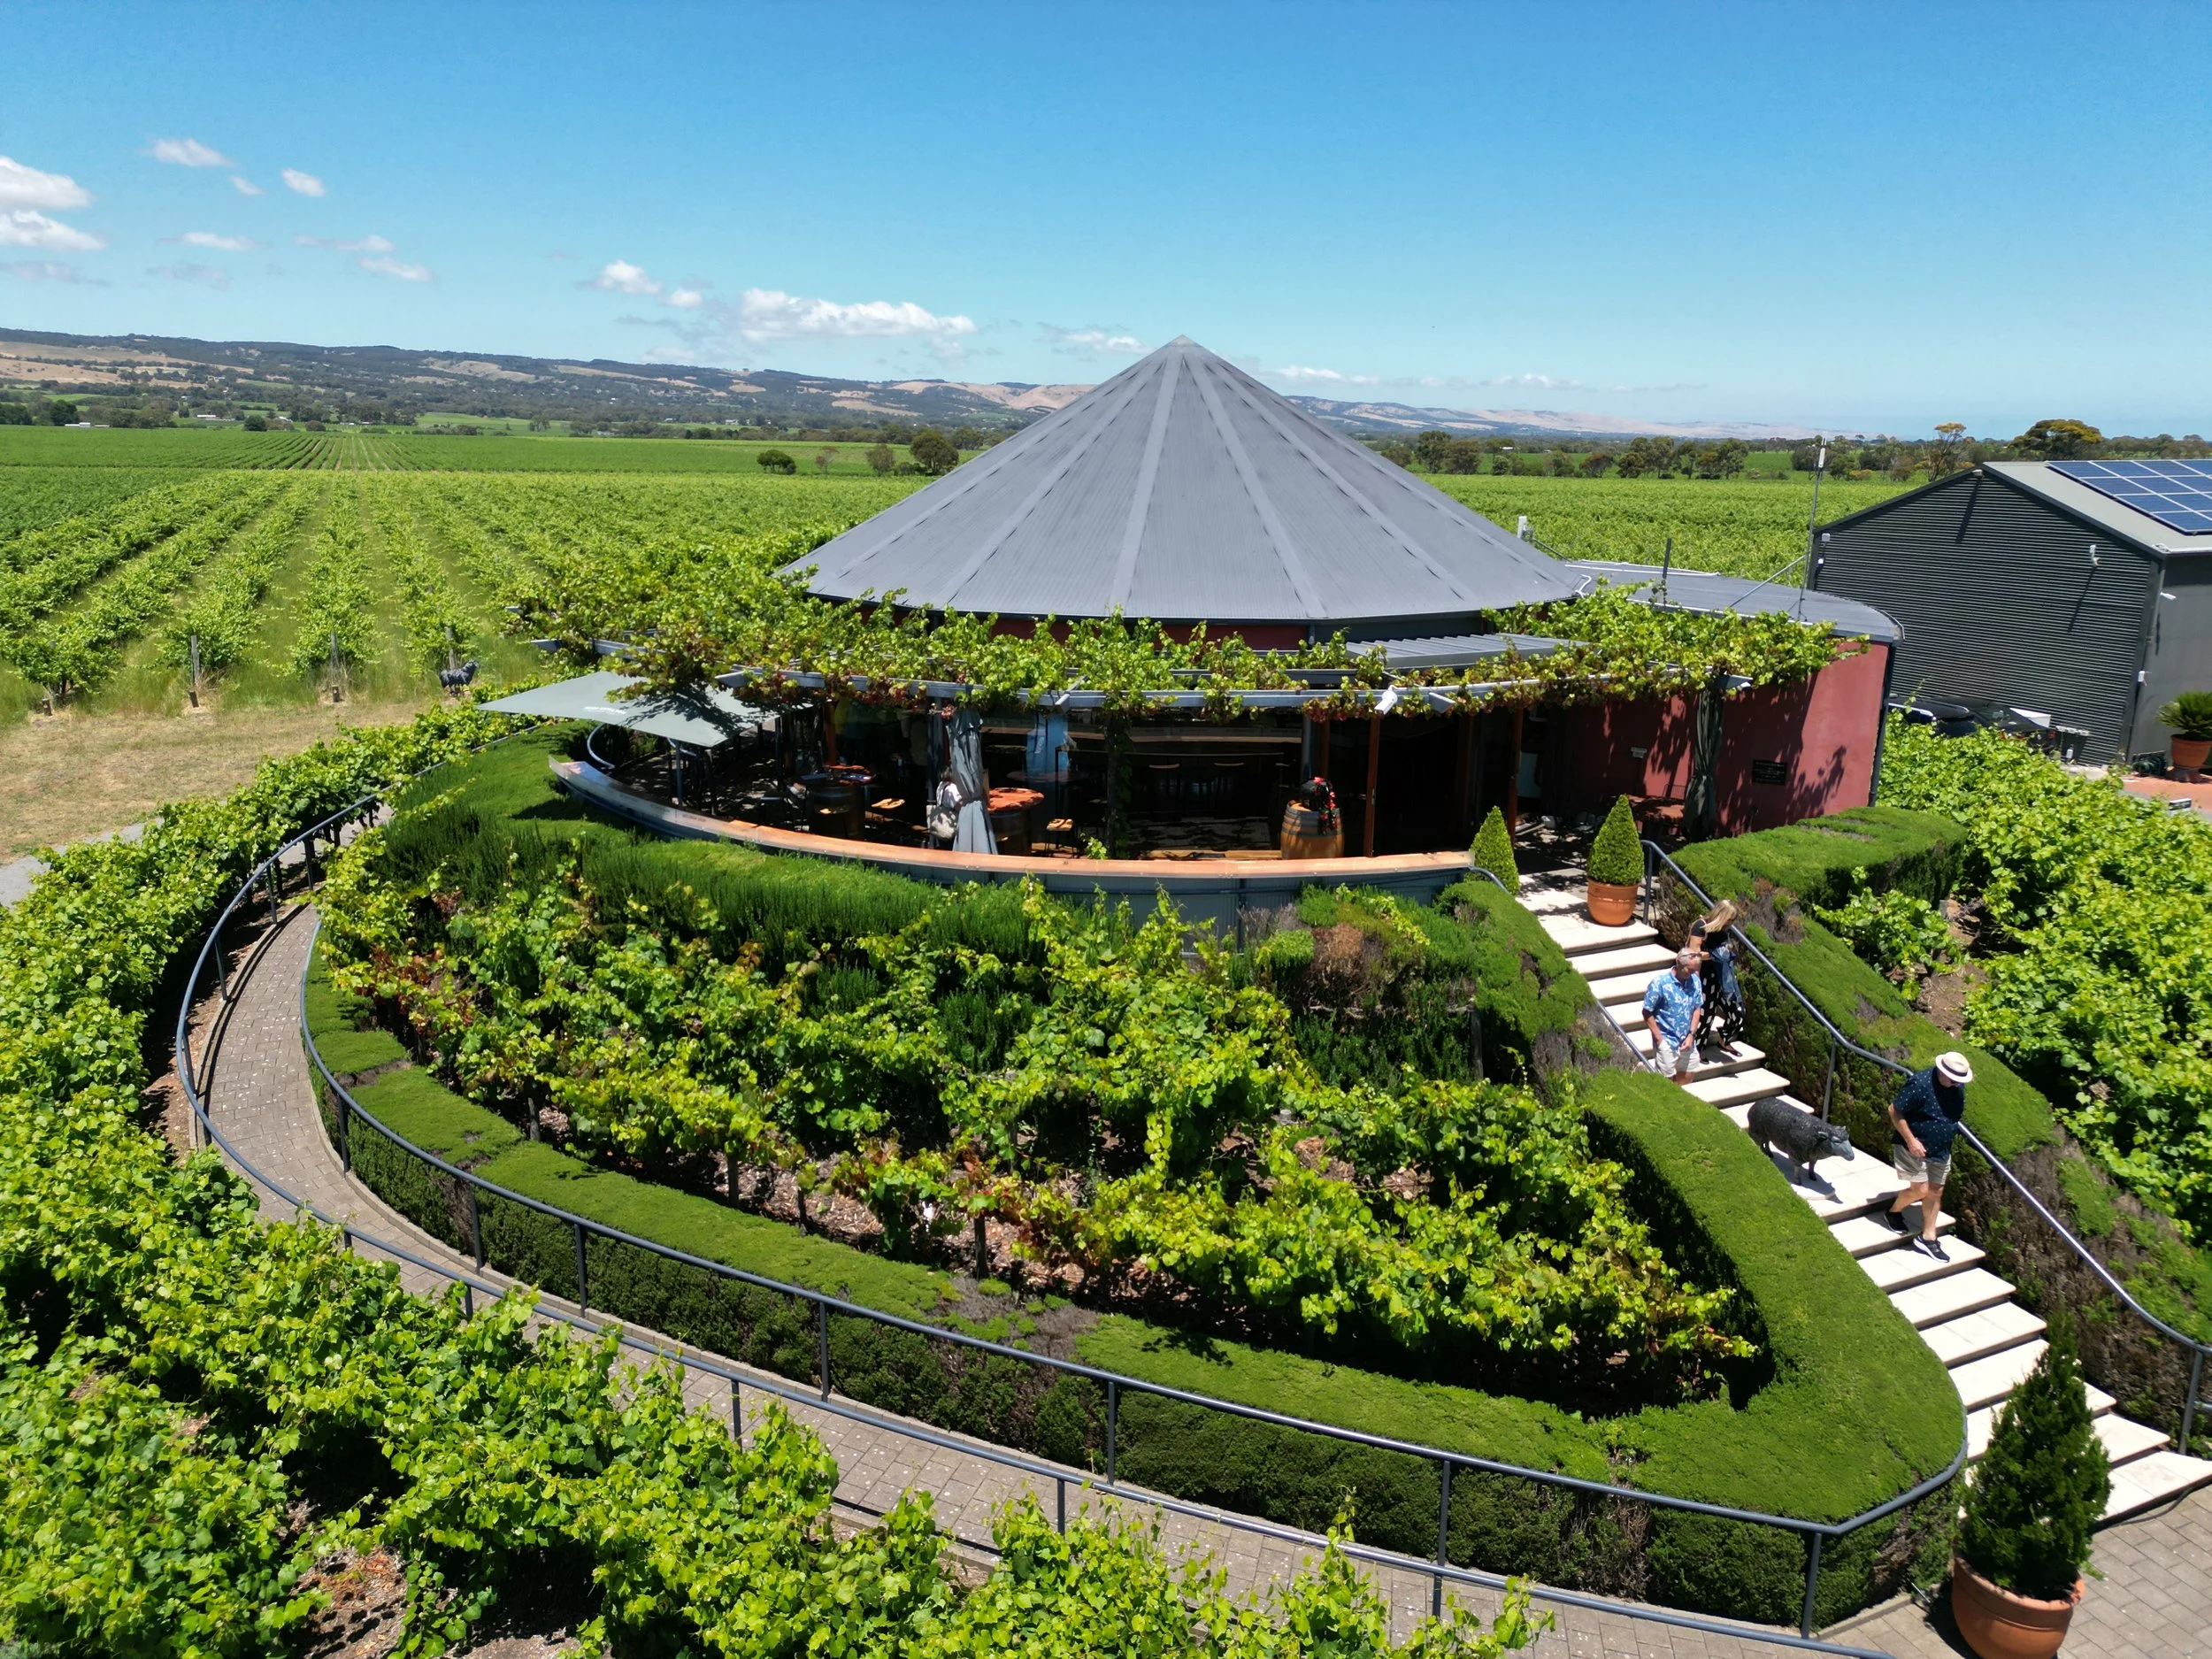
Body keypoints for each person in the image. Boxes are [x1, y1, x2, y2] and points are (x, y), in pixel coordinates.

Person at [1883, 1051, 1973, 1259]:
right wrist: (1911, 1140)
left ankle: (1928, 1238)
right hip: (1913, 1148)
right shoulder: (1920, 1084)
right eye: (1954, 1080)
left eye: (1960, 1080)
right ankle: (1893, 1211)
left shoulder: (1957, 1087)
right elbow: (1894, 1110)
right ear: (1942, 1072)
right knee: (1921, 1190)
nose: (1957, 1084)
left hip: (1941, 1150)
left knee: (1936, 1191)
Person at [1687, 901, 1746, 1053]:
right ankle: (1697, 1049)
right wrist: (1715, 955)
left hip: (1724, 978)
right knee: (1705, 1016)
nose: (1731, 923)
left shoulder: (1723, 931)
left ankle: (1724, 1040)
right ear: (1722, 915)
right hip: (1705, 977)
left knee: (1738, 1013)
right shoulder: (1701, 926)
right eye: (1729, 919)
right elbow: (1693, 954)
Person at [1641, 948, 1705, 1083]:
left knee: (1688, 1076)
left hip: (1687, 1039)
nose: (1692, 973)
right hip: (1667, 1040)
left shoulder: (1695, 981)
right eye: (1689, 969)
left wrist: (1691, 1035)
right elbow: (1647, 1011)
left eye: (1694, 970)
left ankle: (1674, 1093)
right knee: (1665, 1082)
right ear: (1679, 962)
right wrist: (1659, 1039)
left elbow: (1697, 1008)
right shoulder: (1660, 983)